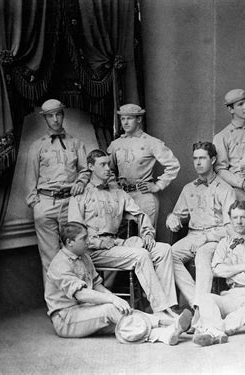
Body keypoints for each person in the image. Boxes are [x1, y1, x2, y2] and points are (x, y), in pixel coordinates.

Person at [68, 149, 178, 318]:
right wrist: (97, 243)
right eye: (102, 165)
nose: (108, 169)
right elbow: (74, 232)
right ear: (90, 166)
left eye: (108, 164)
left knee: (164, 250)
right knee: (140, 255)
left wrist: (147, 233)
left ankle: (170, 307)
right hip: (92, 251)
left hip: (114, 245)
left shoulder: (118, 193)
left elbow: (139, 214)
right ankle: (161, 311)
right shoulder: (80, 194)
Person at [45, 221, 192, 344]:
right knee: (110, 309)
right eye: (84, 239)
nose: (88, 242)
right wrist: (113, 299)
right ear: (70, 242)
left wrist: (117, 301)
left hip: (85, 310)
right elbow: (81, 294)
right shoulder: (60, 264)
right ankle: (164, 332)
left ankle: (168, 327)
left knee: (123, 314)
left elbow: (96, 285)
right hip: (66, 320)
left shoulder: (84, 257)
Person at [26, 99, 90, 282]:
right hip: (46, 204)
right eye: (50, 116)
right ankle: (56, 307)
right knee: (51, 259)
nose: (55, 119)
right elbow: (31, 178)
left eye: (58, 114)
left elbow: (85, 170)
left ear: (63, 115)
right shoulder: (37, 146)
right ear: (45, 119)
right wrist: (37, 206)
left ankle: (76, 303)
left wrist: (81, 181)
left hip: (71, 203)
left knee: (74, 254)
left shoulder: (76, 143)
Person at [192, 200, 245, 346]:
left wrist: (229, 272)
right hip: (231, 295)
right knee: (205, 298)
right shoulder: (224, 243)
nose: (239, 222)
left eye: (243, 217)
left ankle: (215, 329)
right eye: (235, 218)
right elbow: (216, 270)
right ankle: (218, 332)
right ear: (230, 219)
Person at [166, 142, 236, 307]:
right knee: (168, 254)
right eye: (195, 158)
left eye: (202, 158)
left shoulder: (226, 189)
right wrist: (171, 217)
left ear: (212, 160)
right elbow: (178, 214)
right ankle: (198, 304)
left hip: (215, 238)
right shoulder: (189, 188)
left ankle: (201, 308)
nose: (198, 162)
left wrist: (206, 238)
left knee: (202, 256)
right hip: (193, 235)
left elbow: (231, 228)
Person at [107, 104, 180, 227]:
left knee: (146, 237)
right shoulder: (116, 144)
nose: (125, 122)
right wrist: (114, 188)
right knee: (124, 238)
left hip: (144, 196)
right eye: (122, 118)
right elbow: (108, 170)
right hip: (122, 196)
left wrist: (157, 186)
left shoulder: (151, 142)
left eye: (129, 118)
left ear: (139, 119)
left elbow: (173, 165)